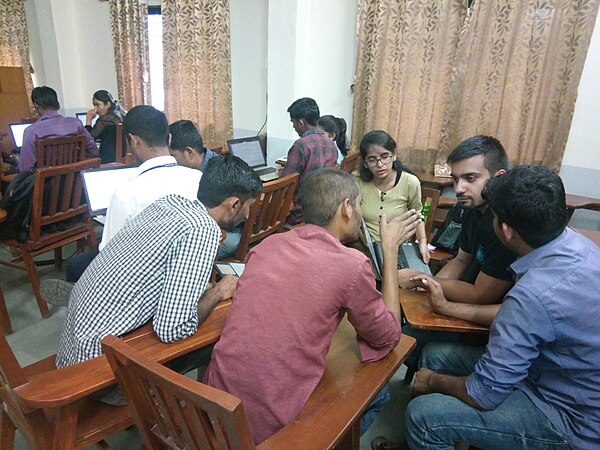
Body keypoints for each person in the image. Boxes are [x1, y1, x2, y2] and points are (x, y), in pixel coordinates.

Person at [205, 168, 423, 444]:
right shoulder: (352, 265)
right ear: (346, 208)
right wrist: (389, 252)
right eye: (358, 204)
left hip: (214, 407)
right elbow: (388, 336)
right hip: (269, 432)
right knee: (380, 394)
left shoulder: (267, 245)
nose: (359, 211)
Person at [403, 165, 600, 450]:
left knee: (423, 417)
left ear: (505, 230)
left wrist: (433, 381)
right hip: (560, 376)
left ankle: (428, 435)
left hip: (569, 417)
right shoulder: (576, 245)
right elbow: (527, 319)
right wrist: (445, 307)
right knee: (436, 354)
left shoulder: (532, 295)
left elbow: (483, 394)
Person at [56, 154, 263, 373]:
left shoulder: (169, 202)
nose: (248, 214)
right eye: (248, 206)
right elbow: (172, 329)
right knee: (227, 335)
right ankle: (199, 401)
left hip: (74, 349)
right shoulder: (203, 230)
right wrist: (219, 291)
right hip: (99, 368)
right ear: (234, 204)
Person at [41, 105, 203, 304]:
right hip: (188, 272)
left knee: (77, 263)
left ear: (133, 141)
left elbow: (110, 258)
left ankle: (85, 299)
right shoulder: (199, 179)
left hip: (144, 286)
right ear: (169, 139)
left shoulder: (126, 194)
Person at [396, 135, 518, 379]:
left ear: (499, 178)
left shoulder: (505, 225)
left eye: (470, 178)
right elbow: (462, 259)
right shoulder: (471, 209)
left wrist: (423, 279)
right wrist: (429, 287)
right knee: (403, 328)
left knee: (408, 341)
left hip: (487, 324)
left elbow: (481, 295)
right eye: (455, 179)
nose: (459, 188)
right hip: (469, 301)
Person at [168, 119, 240, 258]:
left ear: (189, 152)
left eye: (173, 156)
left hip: (230, 235)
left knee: (180, 254)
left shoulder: (217, 175)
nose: (170, 161)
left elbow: (218, 226)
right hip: (211, 229)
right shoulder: (200, 165)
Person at [355, 130, 429, 263]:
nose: (380, 164)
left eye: (385, 156)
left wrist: (422, 242)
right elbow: (353, 217)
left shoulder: (410, 182)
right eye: (372, 159)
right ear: (365, 163)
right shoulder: (356, 181)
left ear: (394, 155)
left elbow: (417, 215)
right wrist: (367, 246)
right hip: (363, 249)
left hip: (397, 249)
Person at [279, 97, 339, 225]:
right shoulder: (331, 145)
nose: (293, 127)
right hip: (322, 211)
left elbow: (285, 185)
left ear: (300, 122)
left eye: (293, 122)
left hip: (299, 214)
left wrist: (281, 175)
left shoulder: (300, 145)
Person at [17, 86, 96, 172]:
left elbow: (25, 168)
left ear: (36, 105)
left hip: (45, 183)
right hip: (75, 179)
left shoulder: (31, 131)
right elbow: (93, 150)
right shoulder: (76, 124)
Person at [85, 90, 126, 163]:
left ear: (107, 105)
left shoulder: (105, 120)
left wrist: (88, 121)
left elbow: (89, 140)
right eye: (94, 105)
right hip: (122, 157)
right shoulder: (120, 114)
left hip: (108, 159)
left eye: (97, 105)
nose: (95, 109)